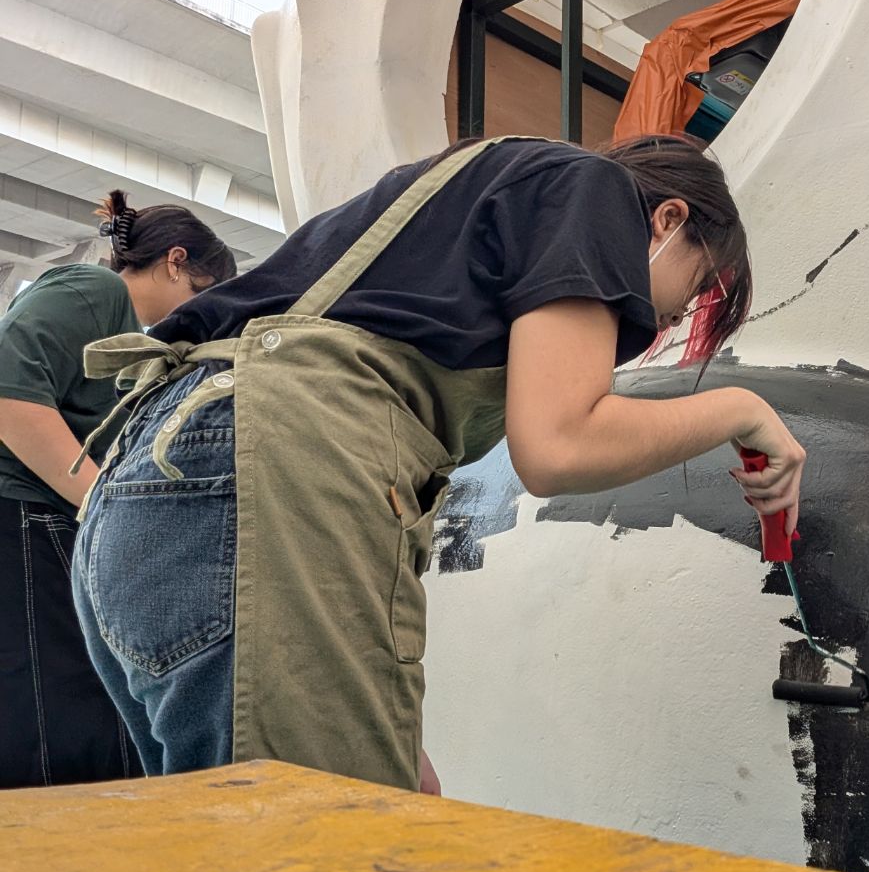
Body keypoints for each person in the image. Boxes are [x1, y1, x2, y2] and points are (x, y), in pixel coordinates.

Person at [70, 134, 806, 794]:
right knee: (310, 859)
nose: (678, 318)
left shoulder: (463, 195)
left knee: (228, 844)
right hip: (261, 487)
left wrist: (377, 723)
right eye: (699, 285)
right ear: (668, 220)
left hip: (148, 492)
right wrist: (740, 410)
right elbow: (559, 445)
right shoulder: (594, 189)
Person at [0, 192, 236, 788]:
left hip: (43, 521)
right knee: (58, 725)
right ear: (175, 261)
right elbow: (7, 392)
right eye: (201, 292)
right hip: (24, 514)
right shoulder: (94, 291)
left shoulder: (129, 342)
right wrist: (107, 502)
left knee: (75, 715)